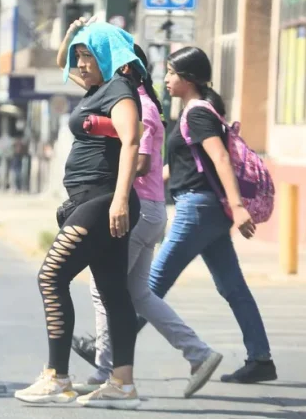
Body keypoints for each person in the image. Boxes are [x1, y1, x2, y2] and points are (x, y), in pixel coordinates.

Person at [63, 39, 223, 399]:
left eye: (98, 58)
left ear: (122, 66)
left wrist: (112, 182)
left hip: (142, 209)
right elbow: (74, 75)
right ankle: (198, 353)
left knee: (103, 288)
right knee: (137, 292)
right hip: (150, 208)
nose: (91, 66)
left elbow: (142, 160)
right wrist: (74, 38)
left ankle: (106, 370)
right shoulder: (133, 99)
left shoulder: (141, 108)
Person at [13, 21, 144, 410]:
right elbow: (63, 64)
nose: (81, 63)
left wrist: (120, 200)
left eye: (89, 55)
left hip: (104, 201)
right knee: (113, 292)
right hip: (91, 199)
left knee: (51, 275)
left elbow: (132, 139)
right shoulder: (96, 90)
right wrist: (71, 37)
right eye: (80, 56)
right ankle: (122, 384)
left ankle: (57, 377)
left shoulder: (119, 90)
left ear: (108, 56)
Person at [148, 46, 277, 384]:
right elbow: (182, 168)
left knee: (149, 285)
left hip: (199, 209)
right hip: (206, 208)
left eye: (172, 73)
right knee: (233, 286)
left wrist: (238, 208)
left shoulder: (198, 113)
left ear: (188, 79)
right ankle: (260, 359)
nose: (166, 79)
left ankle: (108, 352)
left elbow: (219, 159)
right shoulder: (194, 111)